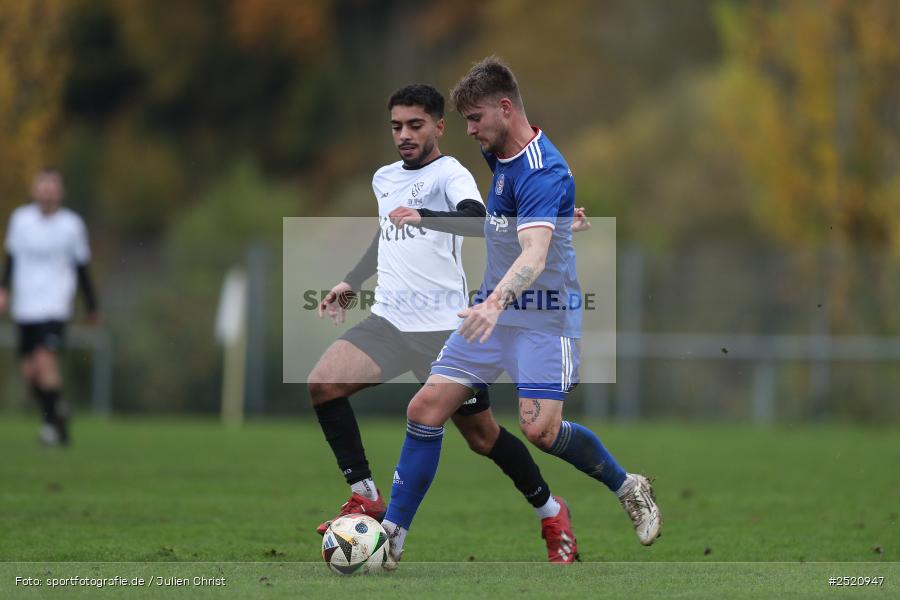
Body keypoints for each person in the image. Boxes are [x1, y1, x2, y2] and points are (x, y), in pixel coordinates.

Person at [380, 58, 662, 568]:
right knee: (424, 410)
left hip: (542, 318)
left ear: (504, 109)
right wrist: (553, 222)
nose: (468, 130)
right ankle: (391, 537)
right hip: (493, 313)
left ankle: (627, 485)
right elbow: (517, 227)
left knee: (540, 431)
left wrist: (494, 300)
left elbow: (532, 258)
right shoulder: (503, 153)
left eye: (474, 119)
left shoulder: (543, 171)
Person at [308, 84, 585, 562]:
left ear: (438, 126)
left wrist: (425, 216)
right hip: (389, 322)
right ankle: (368, 494)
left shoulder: (451, 172)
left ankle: (551, 511)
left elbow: (477, 220)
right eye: (396, 126)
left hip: (444, 330)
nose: (404, 135)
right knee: (322, 383)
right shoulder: (384, 177)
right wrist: (352, 280)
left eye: (415, 125)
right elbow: (388, 230)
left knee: (484, 438)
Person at [0, 169, 99, 446]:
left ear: (60, 192)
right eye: (42, 187)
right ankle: (57, 413)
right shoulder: (21, 220)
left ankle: (51, 425)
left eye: (52, 187)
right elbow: (11, 259)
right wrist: (4, 289)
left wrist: (92, 306)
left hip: (55, 305)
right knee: (30, 372)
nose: (47, 192)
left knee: (46, 361)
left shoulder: (71, 225)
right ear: (35, 191)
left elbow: (82, 268)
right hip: (26, 306)